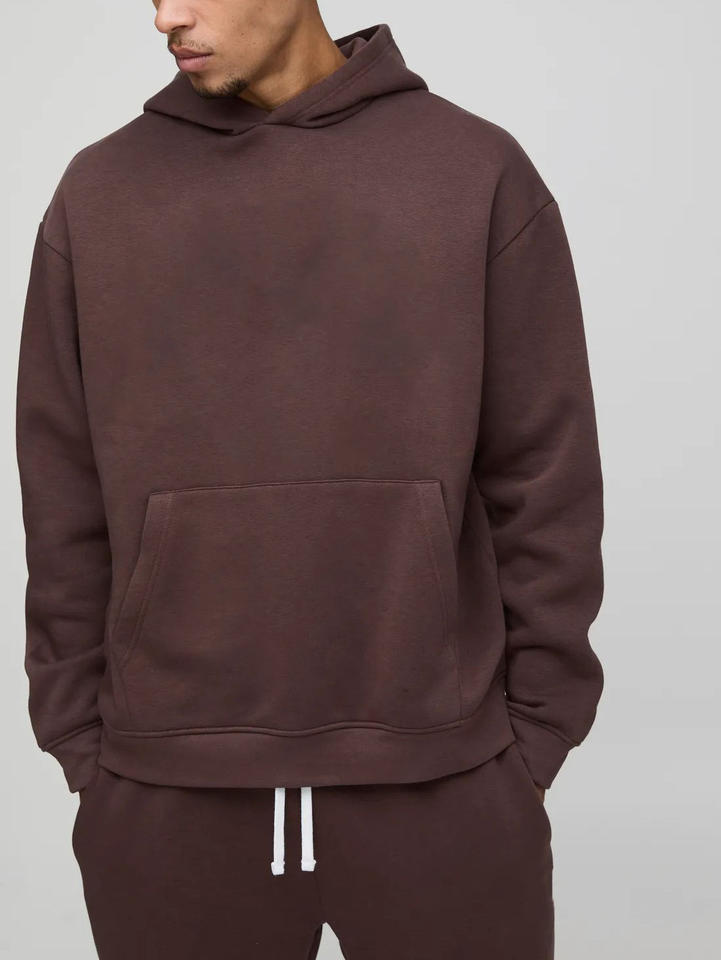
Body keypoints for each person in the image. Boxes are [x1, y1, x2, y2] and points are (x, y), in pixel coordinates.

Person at [14, 1, 605, 957]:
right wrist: (83, 744)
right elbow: (60, 491)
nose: (166, 16)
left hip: (446, 784)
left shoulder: (472, 171)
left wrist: (533, 734)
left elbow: (544, 474)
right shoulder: (102, 192)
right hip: (165, 796)